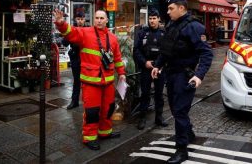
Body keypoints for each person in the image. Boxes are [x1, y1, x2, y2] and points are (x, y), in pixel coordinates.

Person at [151, 0, 213, 163]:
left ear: (181, 8)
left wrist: (198, 75)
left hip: (184, 77)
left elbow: (207, 53)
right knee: (175, 109)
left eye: (171, 8)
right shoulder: (172, 25)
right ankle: (189, 133)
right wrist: (157, 65)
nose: (168, 11)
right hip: (171, 75)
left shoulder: (194, 27)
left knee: (179, 112)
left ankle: (181, 150)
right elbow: (166, 50)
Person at [53, 9, 126, 151]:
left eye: (101, 18)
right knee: (92, 112)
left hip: (108, 82)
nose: (99, 20)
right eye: (96, 18)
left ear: (106, 21)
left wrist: (121, 73)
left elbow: (117, 58)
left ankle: (105, 132)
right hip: (91, 82)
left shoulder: (113, 38)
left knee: (108, 109)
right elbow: (70, 32)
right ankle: (89, 137)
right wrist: (60, 23)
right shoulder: (85, 33)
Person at [133, 9, 168, 130]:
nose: (152, 21)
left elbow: (167, 51)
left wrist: (159, 65)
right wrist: (144, 62)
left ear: (159, 19)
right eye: (150, 18)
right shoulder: (142, 32)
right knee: (145, 94)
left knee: (159, 94)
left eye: (154, 18)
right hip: (146, 67)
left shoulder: (165, 33)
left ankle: (159, 117)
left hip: (160, 68)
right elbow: (136, 50)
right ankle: (142, 118)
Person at [62, 11, 86, 110]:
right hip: (76, 57)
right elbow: (64, 43)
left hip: (86, 58)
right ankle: (74, 101)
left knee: (87, 81)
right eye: (78, 19)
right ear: (75, 20)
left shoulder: (89, 29)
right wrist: (69, 35)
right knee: (76, 80)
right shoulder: (72, 29)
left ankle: (88, 101)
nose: (80, 21)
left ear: (84, 19)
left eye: (82, 19)